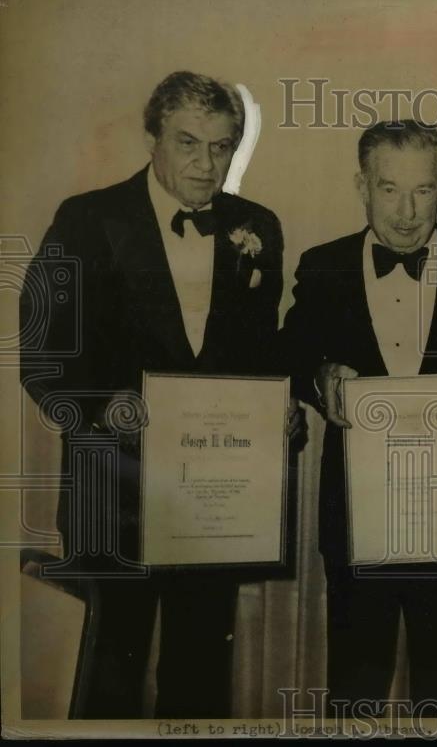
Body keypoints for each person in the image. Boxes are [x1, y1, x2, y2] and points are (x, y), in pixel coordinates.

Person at [18, 70, 288, 718]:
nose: (206, 164)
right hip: (113, 493)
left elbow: (259, 356)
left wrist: (280, 410)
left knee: (200, 676)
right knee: (109, 676)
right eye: (189, 144)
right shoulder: (87, 219)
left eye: (222, 147)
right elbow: (41, 352)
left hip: (213, 500)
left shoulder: (257, 227)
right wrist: (99, 405)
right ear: (152, 139)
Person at [280, 119, 437, 711]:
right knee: (354, 692)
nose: (408, 211)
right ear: (361, 185)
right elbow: (287, 352)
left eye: (425, 189)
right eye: (390, 188)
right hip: (358, 515)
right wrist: (319, 378)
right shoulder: (323, 264)